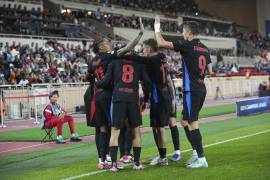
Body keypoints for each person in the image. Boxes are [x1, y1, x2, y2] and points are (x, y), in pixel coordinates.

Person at [154, 16, 212, 168]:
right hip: (200, 87)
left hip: (191, 90)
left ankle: (201, 158)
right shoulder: (205, 48)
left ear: (189, 33)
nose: (182, 34)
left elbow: (160, 43)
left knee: (193, 123)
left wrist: (156, 27)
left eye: (183, 32)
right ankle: (195, 152)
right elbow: (210, 71)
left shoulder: (187, 44)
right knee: (184, 121)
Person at [86, 17, 145, 169]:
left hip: (97, 95)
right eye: (106, 42)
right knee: (117, 127)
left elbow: (89, 77)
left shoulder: (92, 61)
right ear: (101, 47)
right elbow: (127, 48)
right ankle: (121, 157)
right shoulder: (110, 56)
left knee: (102, 128)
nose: (108, 42)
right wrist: (139, 35)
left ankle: (102, 159)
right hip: (110, 95)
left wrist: (97, 83)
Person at [122, 39, 176, 166]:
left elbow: (136, 58)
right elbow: (168, 79)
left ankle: (163, 158)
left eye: (144, 48)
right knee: (156, 127)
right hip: (166, 94)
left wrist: (120, 53)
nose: (143, 50)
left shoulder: (152, 59)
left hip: (159, 97)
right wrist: (173, 99)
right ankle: (162, 156)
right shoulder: (161, 57)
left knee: (159, 128)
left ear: (150, 49)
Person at [96, 55, 151, 172]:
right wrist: (146, 97)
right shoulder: (139, 64)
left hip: (118, 99)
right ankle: (137, 163)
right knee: (136, 131)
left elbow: (105, 81)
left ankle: (114, 165)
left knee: (115, 131)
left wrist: (97, 83)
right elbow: (147, 81)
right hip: (133, 99)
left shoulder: (114, 63)